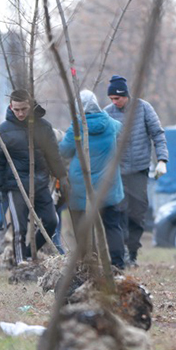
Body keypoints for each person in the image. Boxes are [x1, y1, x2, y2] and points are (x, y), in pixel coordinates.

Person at [0, 89, 69, 265]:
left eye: (24, 109)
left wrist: (62, 176)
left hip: (40, 183)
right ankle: (20, 262)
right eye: (16, 109)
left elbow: (53, 155)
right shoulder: (3, 131)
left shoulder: (44, 127)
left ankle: (29, 252)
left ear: (31, 106)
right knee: (20, 228)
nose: (20, 113)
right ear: (11, 107)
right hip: (15, 186)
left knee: (51, 221)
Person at [103, 74, 168, 267]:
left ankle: (133, 252)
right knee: (119, 212)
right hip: (118, 172)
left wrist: (162, 159)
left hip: (139, 170)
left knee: (138, 214)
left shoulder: (144, 108)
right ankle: (121, 252)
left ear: (126, 95)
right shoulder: (107, 113)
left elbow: (157, 134)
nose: (115, 102)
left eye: (118, 98)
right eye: (112, 99)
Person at [59, 90, 124, 269]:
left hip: (81, 187)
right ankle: (118, 265)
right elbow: (122, 129)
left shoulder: (77, 127)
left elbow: (64, 150)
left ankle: (89, 262)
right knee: (112, 226)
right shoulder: (110, 123)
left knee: (82, 227)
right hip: (108, 185)